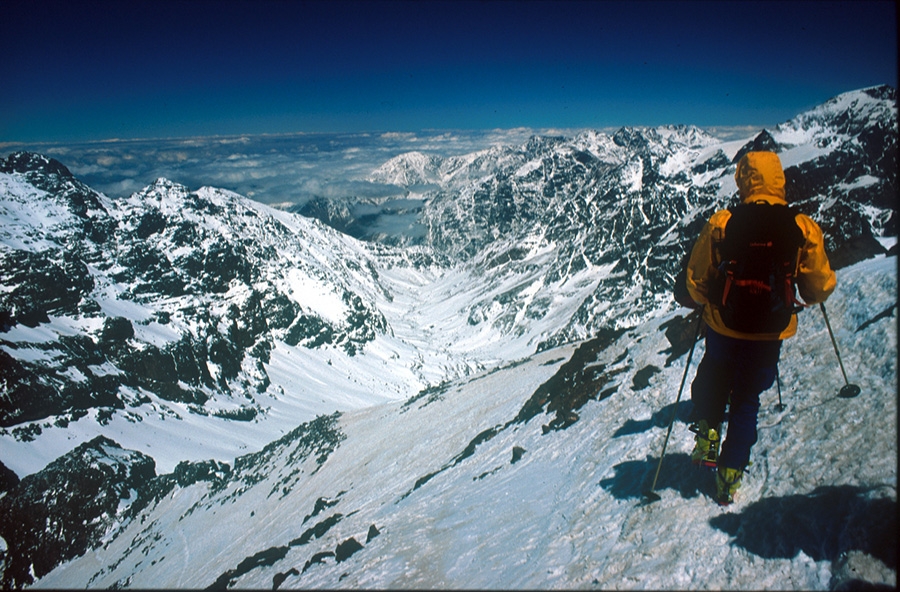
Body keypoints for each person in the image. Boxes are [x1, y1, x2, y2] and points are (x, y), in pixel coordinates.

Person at [683, 151, 837, 505]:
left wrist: (707, 299)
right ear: (779, 180)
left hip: (725, 326)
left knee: (714, 377)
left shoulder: (723, 222)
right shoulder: (801, 226)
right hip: (769, 332)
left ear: (743, 179)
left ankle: (707, 430)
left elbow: (696, 280)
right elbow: (819, 287)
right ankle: (730, 476)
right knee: (747, 399)